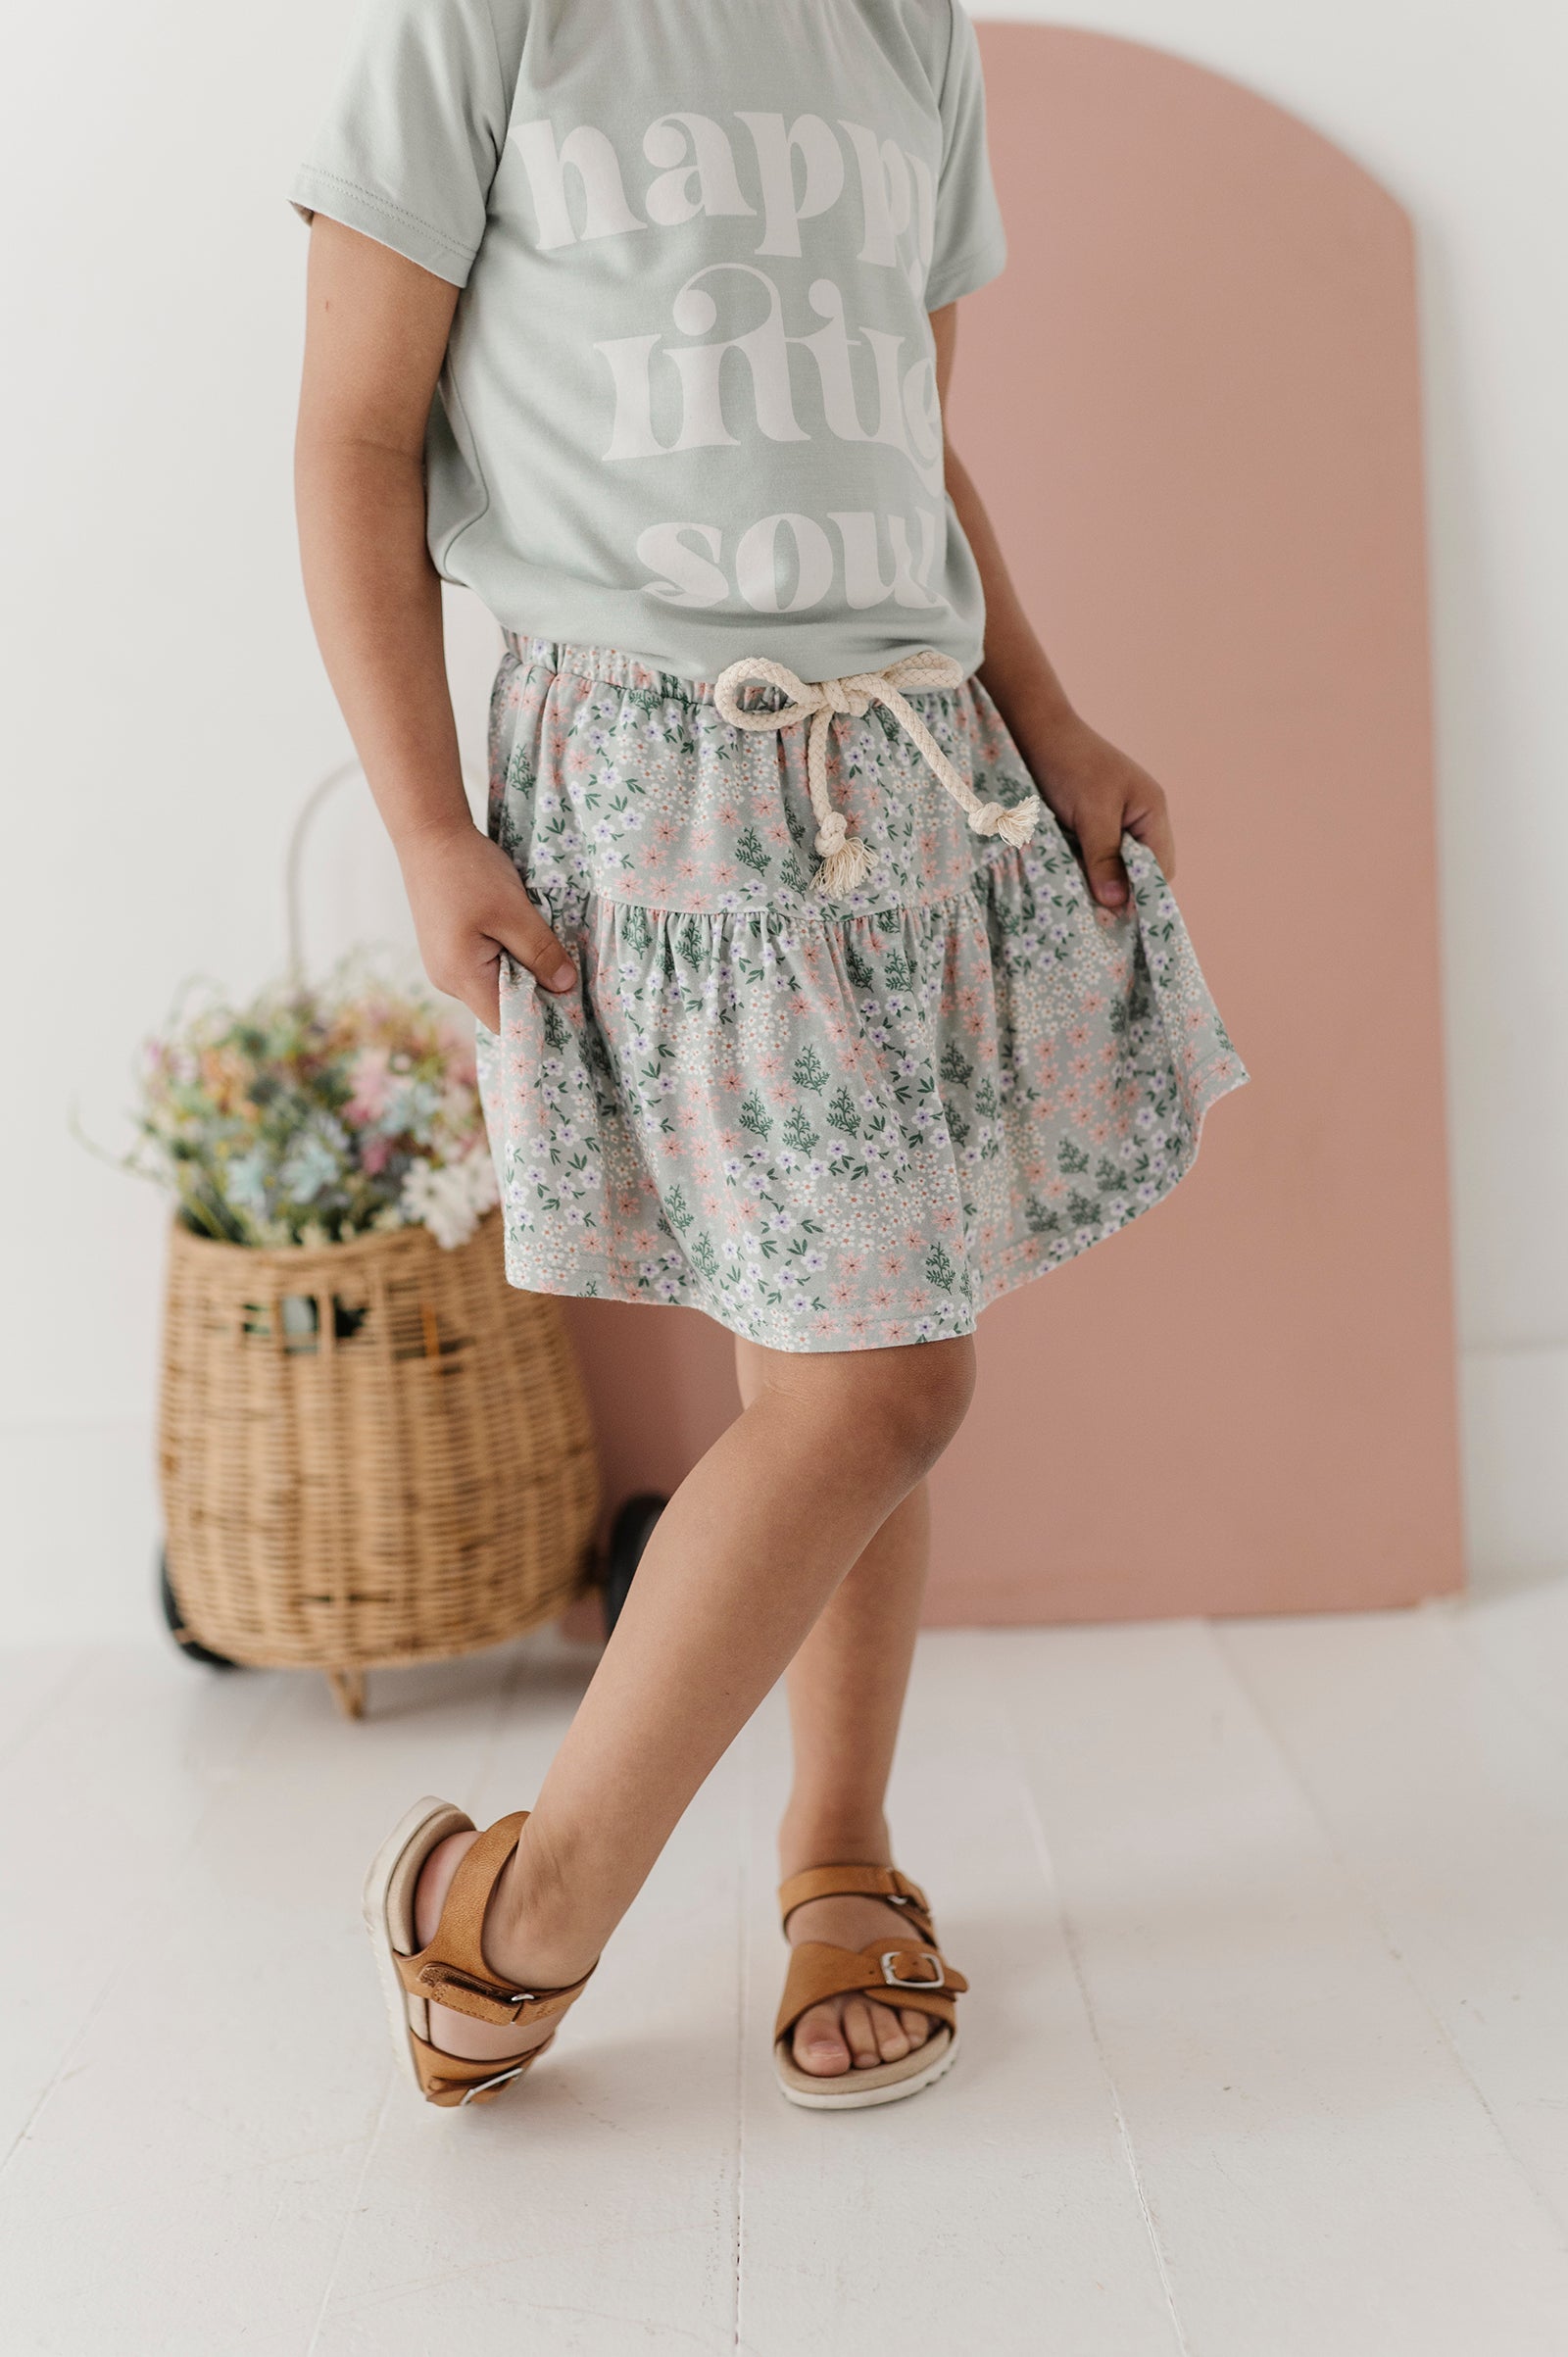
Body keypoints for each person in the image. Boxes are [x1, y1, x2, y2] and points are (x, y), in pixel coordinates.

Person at [292, 0, 1247, 2111]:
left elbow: (905, 435)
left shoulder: (902, 25)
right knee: (879, 1376)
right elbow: (355, 434)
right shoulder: (486, 22)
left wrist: (1052, 714)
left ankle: (838, 1854)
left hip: (910, 776)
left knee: (845, 1348)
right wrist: (426, 824)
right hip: (658, 792)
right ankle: (523, 1912)